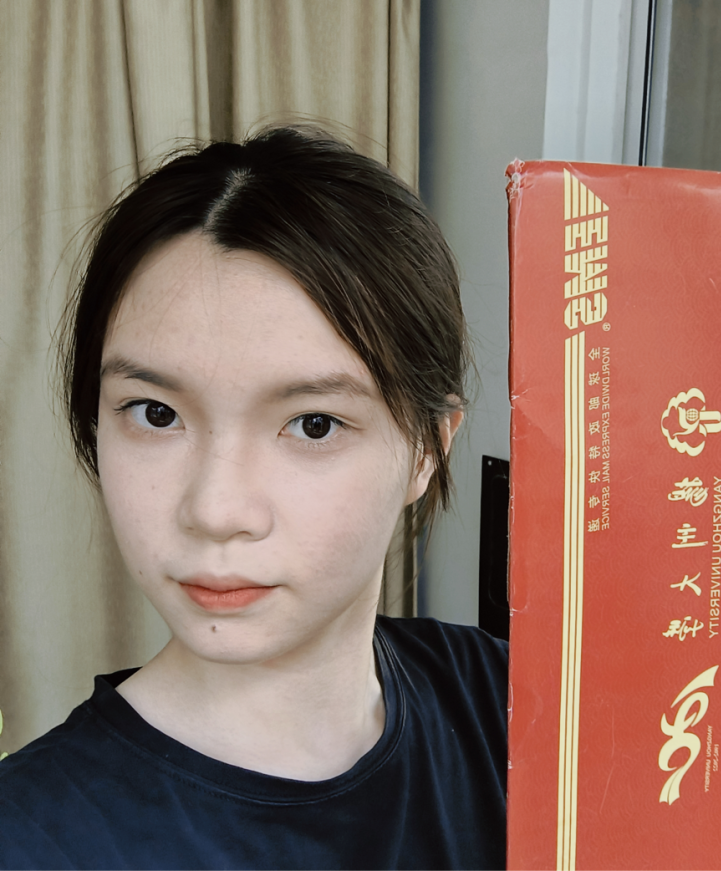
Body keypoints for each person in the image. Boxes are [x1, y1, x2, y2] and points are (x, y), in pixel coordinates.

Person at [0, 127, 507, 870]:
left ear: (427, 450)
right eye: (155, 413)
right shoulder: (30, 838)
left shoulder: (521, 711)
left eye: (313, 424)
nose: (216, 510)